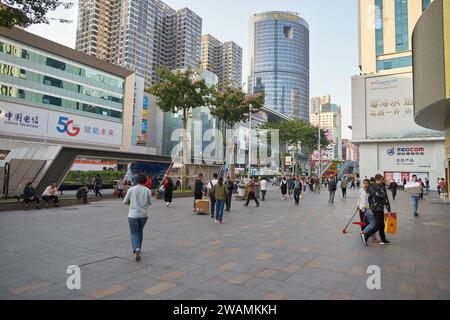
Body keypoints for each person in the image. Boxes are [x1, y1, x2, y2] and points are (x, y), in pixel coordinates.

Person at [123, 173, 152, 261]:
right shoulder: (147, 190)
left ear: (137, 180)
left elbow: (125, 202)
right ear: (145, 181)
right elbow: (149, 203)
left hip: (133, 215)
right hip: (144, 215)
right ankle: (139, 248)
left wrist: (131, 204)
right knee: (140, 231)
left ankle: (136, 248)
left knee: (134, 233)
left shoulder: (131, 189)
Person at [361, 174, 392, 246]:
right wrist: (389, 210)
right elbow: (385, 199)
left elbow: (369, 198)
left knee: (381, 225)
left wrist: (370, 207)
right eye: (382, 179)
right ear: (379, 179)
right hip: (379, 209)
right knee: (379, 225)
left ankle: (383, 240)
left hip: (373, 209)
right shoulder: (381, 187)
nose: (383, 180)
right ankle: (366, 235)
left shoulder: (370, 186)